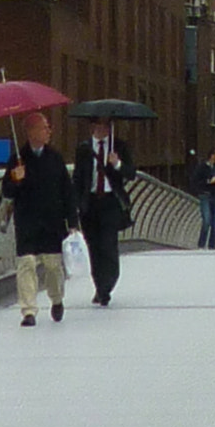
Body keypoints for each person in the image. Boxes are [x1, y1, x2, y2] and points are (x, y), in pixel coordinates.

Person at [2, 110, 78, 326]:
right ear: (31, 131)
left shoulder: (55, 158)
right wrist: (16, 180)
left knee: (53, 266)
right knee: (26, 264)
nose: (48, 132)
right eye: (44, 128)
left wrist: (72, 222)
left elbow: (67, 192)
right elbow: (6, 191)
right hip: (27, 222)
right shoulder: (17, 160)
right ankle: (28, 310)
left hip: (52, 222)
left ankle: (56, 299)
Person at [72, 117, 135, 305]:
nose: (103, 129)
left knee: (108, 246)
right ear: (92, 127)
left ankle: (107, 285)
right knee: (94, 247)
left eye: (106, 126)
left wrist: (117, 164)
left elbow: (131, 173)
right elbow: (78, 178)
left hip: (110, 202)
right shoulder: (83, 149)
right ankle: (99, 286)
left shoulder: (119, 147)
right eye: (99, 126)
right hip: (90, 203)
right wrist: (75, 204)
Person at [191, 145, 215, 250]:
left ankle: (212, 245)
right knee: (206, 220)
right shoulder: (202, 167)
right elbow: (195, 182)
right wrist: (209, 181)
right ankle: (201, 244)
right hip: (205, 195)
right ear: (212, 155)